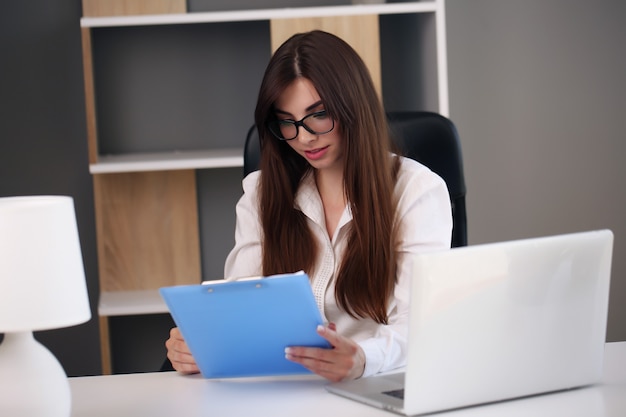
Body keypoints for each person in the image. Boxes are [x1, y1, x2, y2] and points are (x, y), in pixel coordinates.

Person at [166, 30, 452, 382]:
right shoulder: (261, 193)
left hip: (377, 382)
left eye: (318, 115)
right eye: (287, 121)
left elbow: (421, 325)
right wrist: (201, 343)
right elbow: (241, 311)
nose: (303, 137)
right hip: (283, 387)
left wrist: (363, 358)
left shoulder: (416, 191)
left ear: (353, 108)